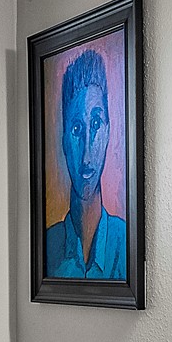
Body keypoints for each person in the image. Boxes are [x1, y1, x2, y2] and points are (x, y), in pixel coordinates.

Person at [43, 48, 126, 279]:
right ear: (64, 143)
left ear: (109, 131)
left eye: (96, 124)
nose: (87, 155)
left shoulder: (127, 241)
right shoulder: (47, 247)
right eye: (77, 129)